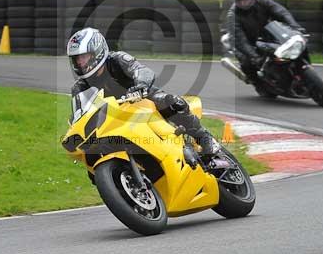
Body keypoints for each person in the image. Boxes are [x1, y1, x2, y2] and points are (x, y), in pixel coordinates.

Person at [67, 27, 221, 166]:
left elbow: (141, 70)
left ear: (97, 51)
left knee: (172, 103)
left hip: (143, 99)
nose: (80, 63)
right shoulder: (80, 87)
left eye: (83, 57)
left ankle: (204, 137)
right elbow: (79, 114)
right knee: (93, 158)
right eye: (77, 59)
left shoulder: (117, 59)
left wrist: (140, 85)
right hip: (115, 119)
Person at [226, 0, 304, 83]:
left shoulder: (262, 1)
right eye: (241, 1)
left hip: (267, 33)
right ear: (236, 0)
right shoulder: (233, 15)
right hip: (246, 42)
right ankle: (257, 82)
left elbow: (281, 11)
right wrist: (254, 56)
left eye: (247, 0)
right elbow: (241, 40)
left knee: (290, 44)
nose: (244, 3)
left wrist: (295, 27)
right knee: (248, 62)